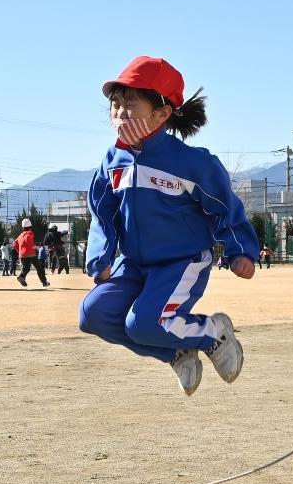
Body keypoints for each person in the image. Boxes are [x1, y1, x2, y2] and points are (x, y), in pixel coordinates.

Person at [78, 55, 256, 394]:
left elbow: (225, 208)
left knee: (143, 323)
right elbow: (102, 212)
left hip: (182, 261)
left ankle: (213, 332)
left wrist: (240, 250)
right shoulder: (112, 161)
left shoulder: (192, 163)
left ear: (161, 113)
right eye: (115, 104)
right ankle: (175, 351)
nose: (120, 112)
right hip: (133, 264)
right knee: (93, 314)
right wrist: (100, 259)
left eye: (131, 103)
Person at [15, 219, 49, 288]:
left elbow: (14, 244)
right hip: (30, 253)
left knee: (26, 268)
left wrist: (20, 252)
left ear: (23, 227)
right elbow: (28, 239)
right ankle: (44, 282)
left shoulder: (21, 235)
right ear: (30, 226)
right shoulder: (30, 232)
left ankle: (21, 277)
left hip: (22, 255)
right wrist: (35, 248)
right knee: (39, 268)